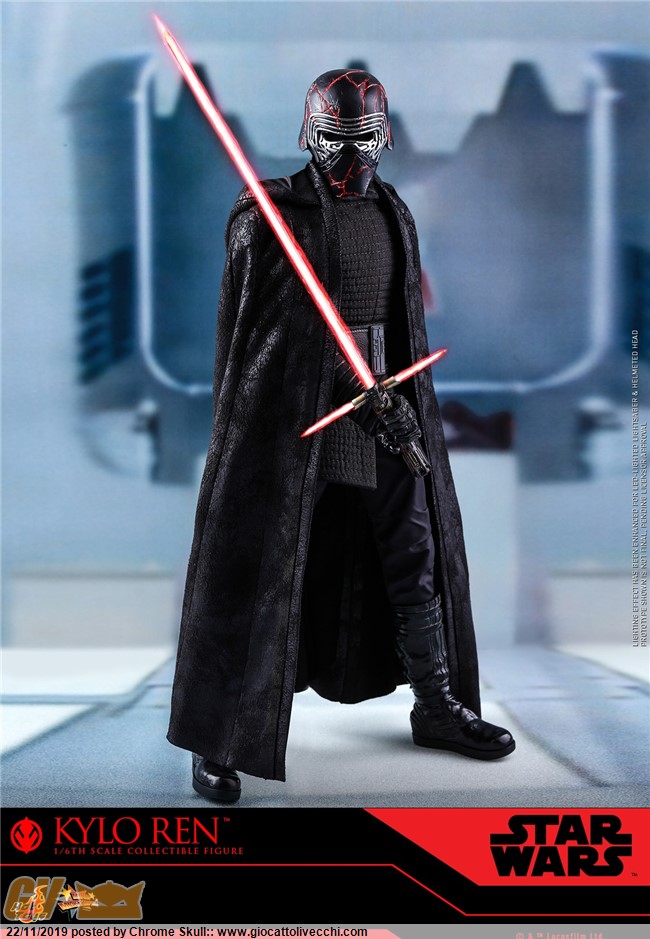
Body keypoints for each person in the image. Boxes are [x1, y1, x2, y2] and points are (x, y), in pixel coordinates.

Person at [167, 69, 515, 802]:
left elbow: (397, 321)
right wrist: (327, 387)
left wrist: (389, 402)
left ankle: (436, 705)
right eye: (334, 139)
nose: (349, 155)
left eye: (362, 139)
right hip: (295, 425)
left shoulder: (392, 211)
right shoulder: (270, 214)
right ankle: (218, 739)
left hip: (385, 414)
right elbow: (253, 341)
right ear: (308, 134)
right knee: (260, 567)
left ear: (383, 137)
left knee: (415, 555)